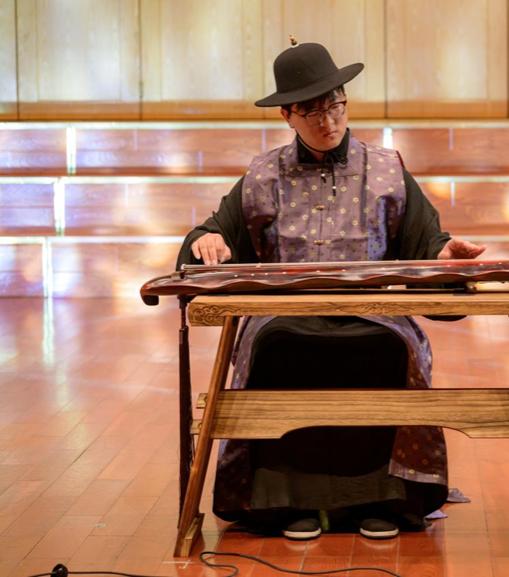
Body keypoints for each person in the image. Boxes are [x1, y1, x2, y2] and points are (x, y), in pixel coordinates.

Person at [176, 42, 485, 541]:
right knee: (276, 346)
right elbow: (216, 233)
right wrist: (205, 239)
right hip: (284, 316)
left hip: (373, 312)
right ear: (287, 115)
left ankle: (382, 499)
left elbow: (426, 241)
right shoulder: (263, 175)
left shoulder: (386, 169)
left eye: (335, 105)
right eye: (313, 111)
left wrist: (446, 255)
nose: (328, 120)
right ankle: (284, 503)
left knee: (389, 346)